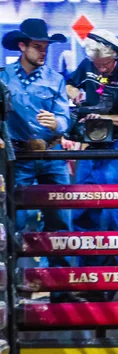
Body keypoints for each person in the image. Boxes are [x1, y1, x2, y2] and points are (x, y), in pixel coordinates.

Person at [0, 19, 79, 303]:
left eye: (46, 46)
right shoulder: (3, 78)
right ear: (22, 46)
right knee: (14, 220)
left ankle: (63, 287)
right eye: (37, 46)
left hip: (51, 154)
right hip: (18, 157)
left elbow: (65, 118)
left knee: (60, 221)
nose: (43, 51)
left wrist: (56, 122)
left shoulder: (55, 78)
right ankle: (14, 285)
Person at [66, 30, 118, 282]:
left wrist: (107, 118)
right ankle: (86, 278)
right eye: (97, 65)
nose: (101, 69)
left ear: (115, 56)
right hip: (90, 147)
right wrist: (75, 93)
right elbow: (70, 83)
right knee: (81, 211)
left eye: (105, 65)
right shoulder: (87, 64)